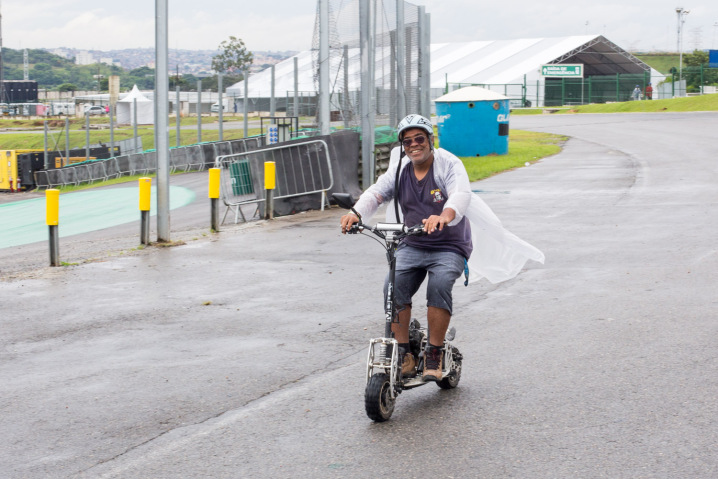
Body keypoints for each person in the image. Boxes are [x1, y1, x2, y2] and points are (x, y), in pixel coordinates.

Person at [340, 114, 544, 382]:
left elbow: (461, 194)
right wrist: (356, 213)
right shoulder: (400, 166)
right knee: (393, 286)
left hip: (449, 244)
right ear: (403, 145)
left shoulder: (448, 164)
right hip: (411, 241)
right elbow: (378, 192)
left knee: (439, 286)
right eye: (408, 141)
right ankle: (404, 355)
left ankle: (434, 352)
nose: (414, 145)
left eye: (419, 138)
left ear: (430, 140)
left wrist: (443, 216)